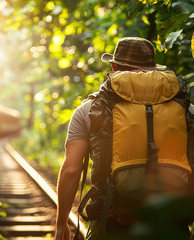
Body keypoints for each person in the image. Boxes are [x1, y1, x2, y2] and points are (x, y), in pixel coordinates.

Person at [54, 37, 194, 240]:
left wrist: (61, 226)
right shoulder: (186, 109)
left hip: (109, 223)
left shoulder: (91, 109)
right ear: (153, 68)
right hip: (170, 225)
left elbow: (71, 170)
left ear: (113, 66)